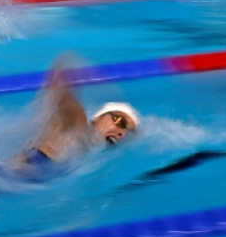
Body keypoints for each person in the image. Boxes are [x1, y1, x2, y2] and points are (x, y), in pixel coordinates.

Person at [8, 56, 140, 176]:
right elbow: (59, 82)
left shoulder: (87, 153)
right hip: (7, 175)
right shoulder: (77, 121)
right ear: (98, 117)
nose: (122, 132)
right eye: (120, 121)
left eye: (128, 131)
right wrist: (72, 67)